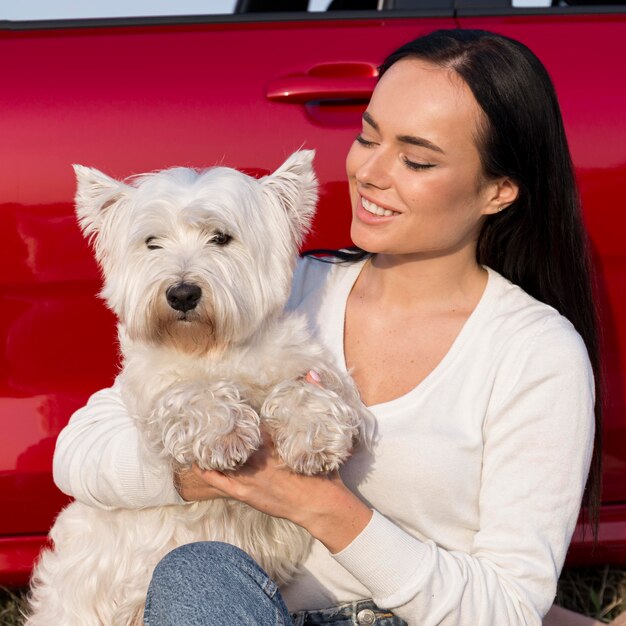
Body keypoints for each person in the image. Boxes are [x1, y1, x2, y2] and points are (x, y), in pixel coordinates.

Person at [53, 29, 615, 626]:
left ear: (498, 191)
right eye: (367, 137)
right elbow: (79, 455)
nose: (370, 173)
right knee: (195, 576)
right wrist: (195, 473)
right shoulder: (275, 287)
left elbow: (506, 609)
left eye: (416, 159)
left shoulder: (533, 352)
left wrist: (321, 506)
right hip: (251, 610)